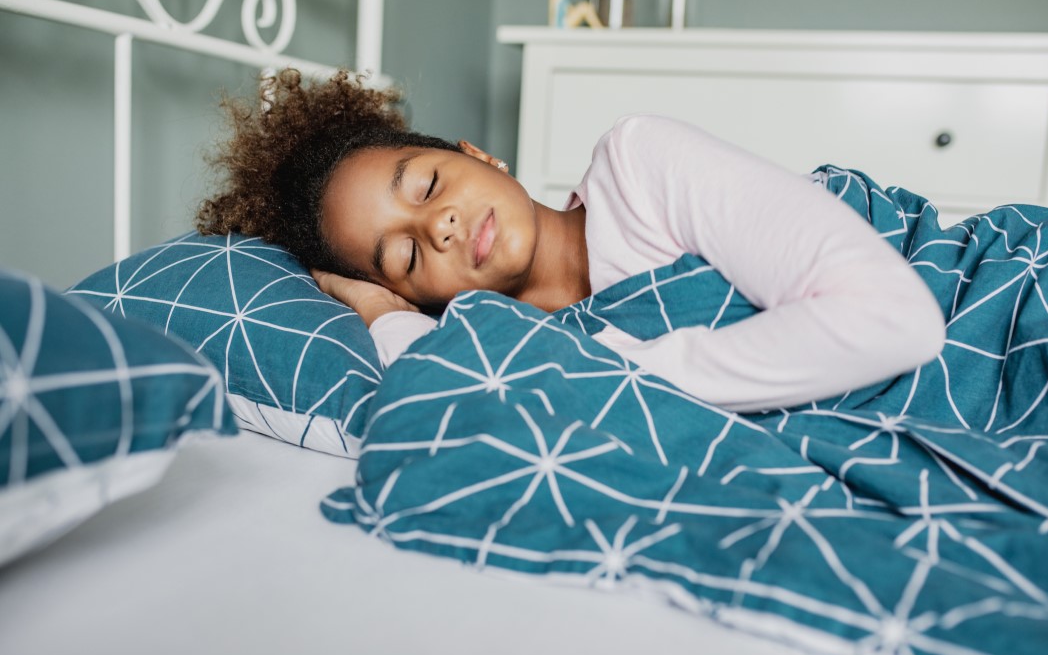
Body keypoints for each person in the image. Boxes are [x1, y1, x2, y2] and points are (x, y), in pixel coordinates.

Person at [198, 69, 945, 412]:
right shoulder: (491, 348)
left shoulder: (639, 165)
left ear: (479, 156)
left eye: (426, 186)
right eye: (407, 255)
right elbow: (450, 392)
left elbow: (895, 318)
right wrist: (382, 317)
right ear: (410, 295)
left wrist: (633, 373)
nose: (440, 226)